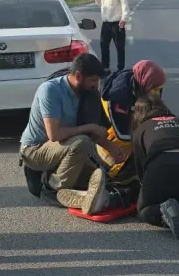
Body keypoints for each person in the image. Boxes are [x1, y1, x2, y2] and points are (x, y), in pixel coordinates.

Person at [20, 53, 117, 210]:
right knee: (83, 142)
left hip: (63, 147)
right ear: (78, 76)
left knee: (99, 178)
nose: (96, 84)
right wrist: (91, 128)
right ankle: (52, 188)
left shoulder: (87, 93)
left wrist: (111, 148)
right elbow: (54, 135)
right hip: (35, 150)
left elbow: (89, 129)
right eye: (93, 80)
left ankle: (82, 195)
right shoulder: (51, 90)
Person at [131, 94, 179, 239]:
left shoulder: (140, 130)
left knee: (144, 210)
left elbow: (141, 168)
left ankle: (163, 212)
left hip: (161, 166)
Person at [96, 60, 166, 186]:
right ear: (144, 84)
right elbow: (122, 134)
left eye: (159, 89)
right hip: (112, 148)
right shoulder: (117, 97)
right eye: (155, 90)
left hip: (129, 141)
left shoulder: (141, 87)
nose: (157, 94)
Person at [92, 0, 130, 74]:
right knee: (103, 45)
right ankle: (105, 68)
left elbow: (124, 3)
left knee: (119, 47)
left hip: (117, 23)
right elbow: (99, 3)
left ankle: (120, 69)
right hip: (106, 23)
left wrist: (124, 18)